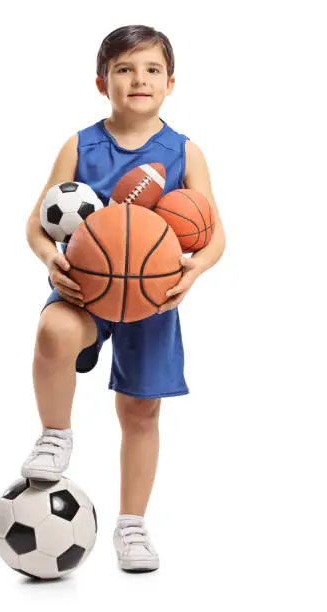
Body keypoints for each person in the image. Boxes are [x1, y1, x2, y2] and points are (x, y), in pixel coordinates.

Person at [21, 24, 226, 572]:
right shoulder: (80, 145)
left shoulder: (184, 152)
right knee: (53, 332)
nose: (139, 79)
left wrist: (195, 270)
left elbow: (215, 233)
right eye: (125, 69)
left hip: (151, 298)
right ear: (101, 82)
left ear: (171, 82)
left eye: (152, 69)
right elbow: (36, 225)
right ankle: (54, 435)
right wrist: (50, 259)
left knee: (140, 412)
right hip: (86, 288)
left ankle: (131, 526)